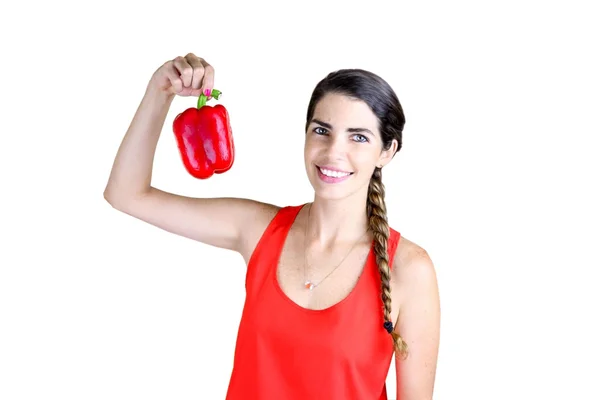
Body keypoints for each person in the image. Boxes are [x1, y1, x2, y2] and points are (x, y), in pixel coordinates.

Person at [104, 52, 440, 400]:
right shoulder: (258, 229)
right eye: (322, 130)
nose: (333, 152)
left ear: (387, 151)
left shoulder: (409, 269)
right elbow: (126, 194)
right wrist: (159, 92)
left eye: (358, 137)